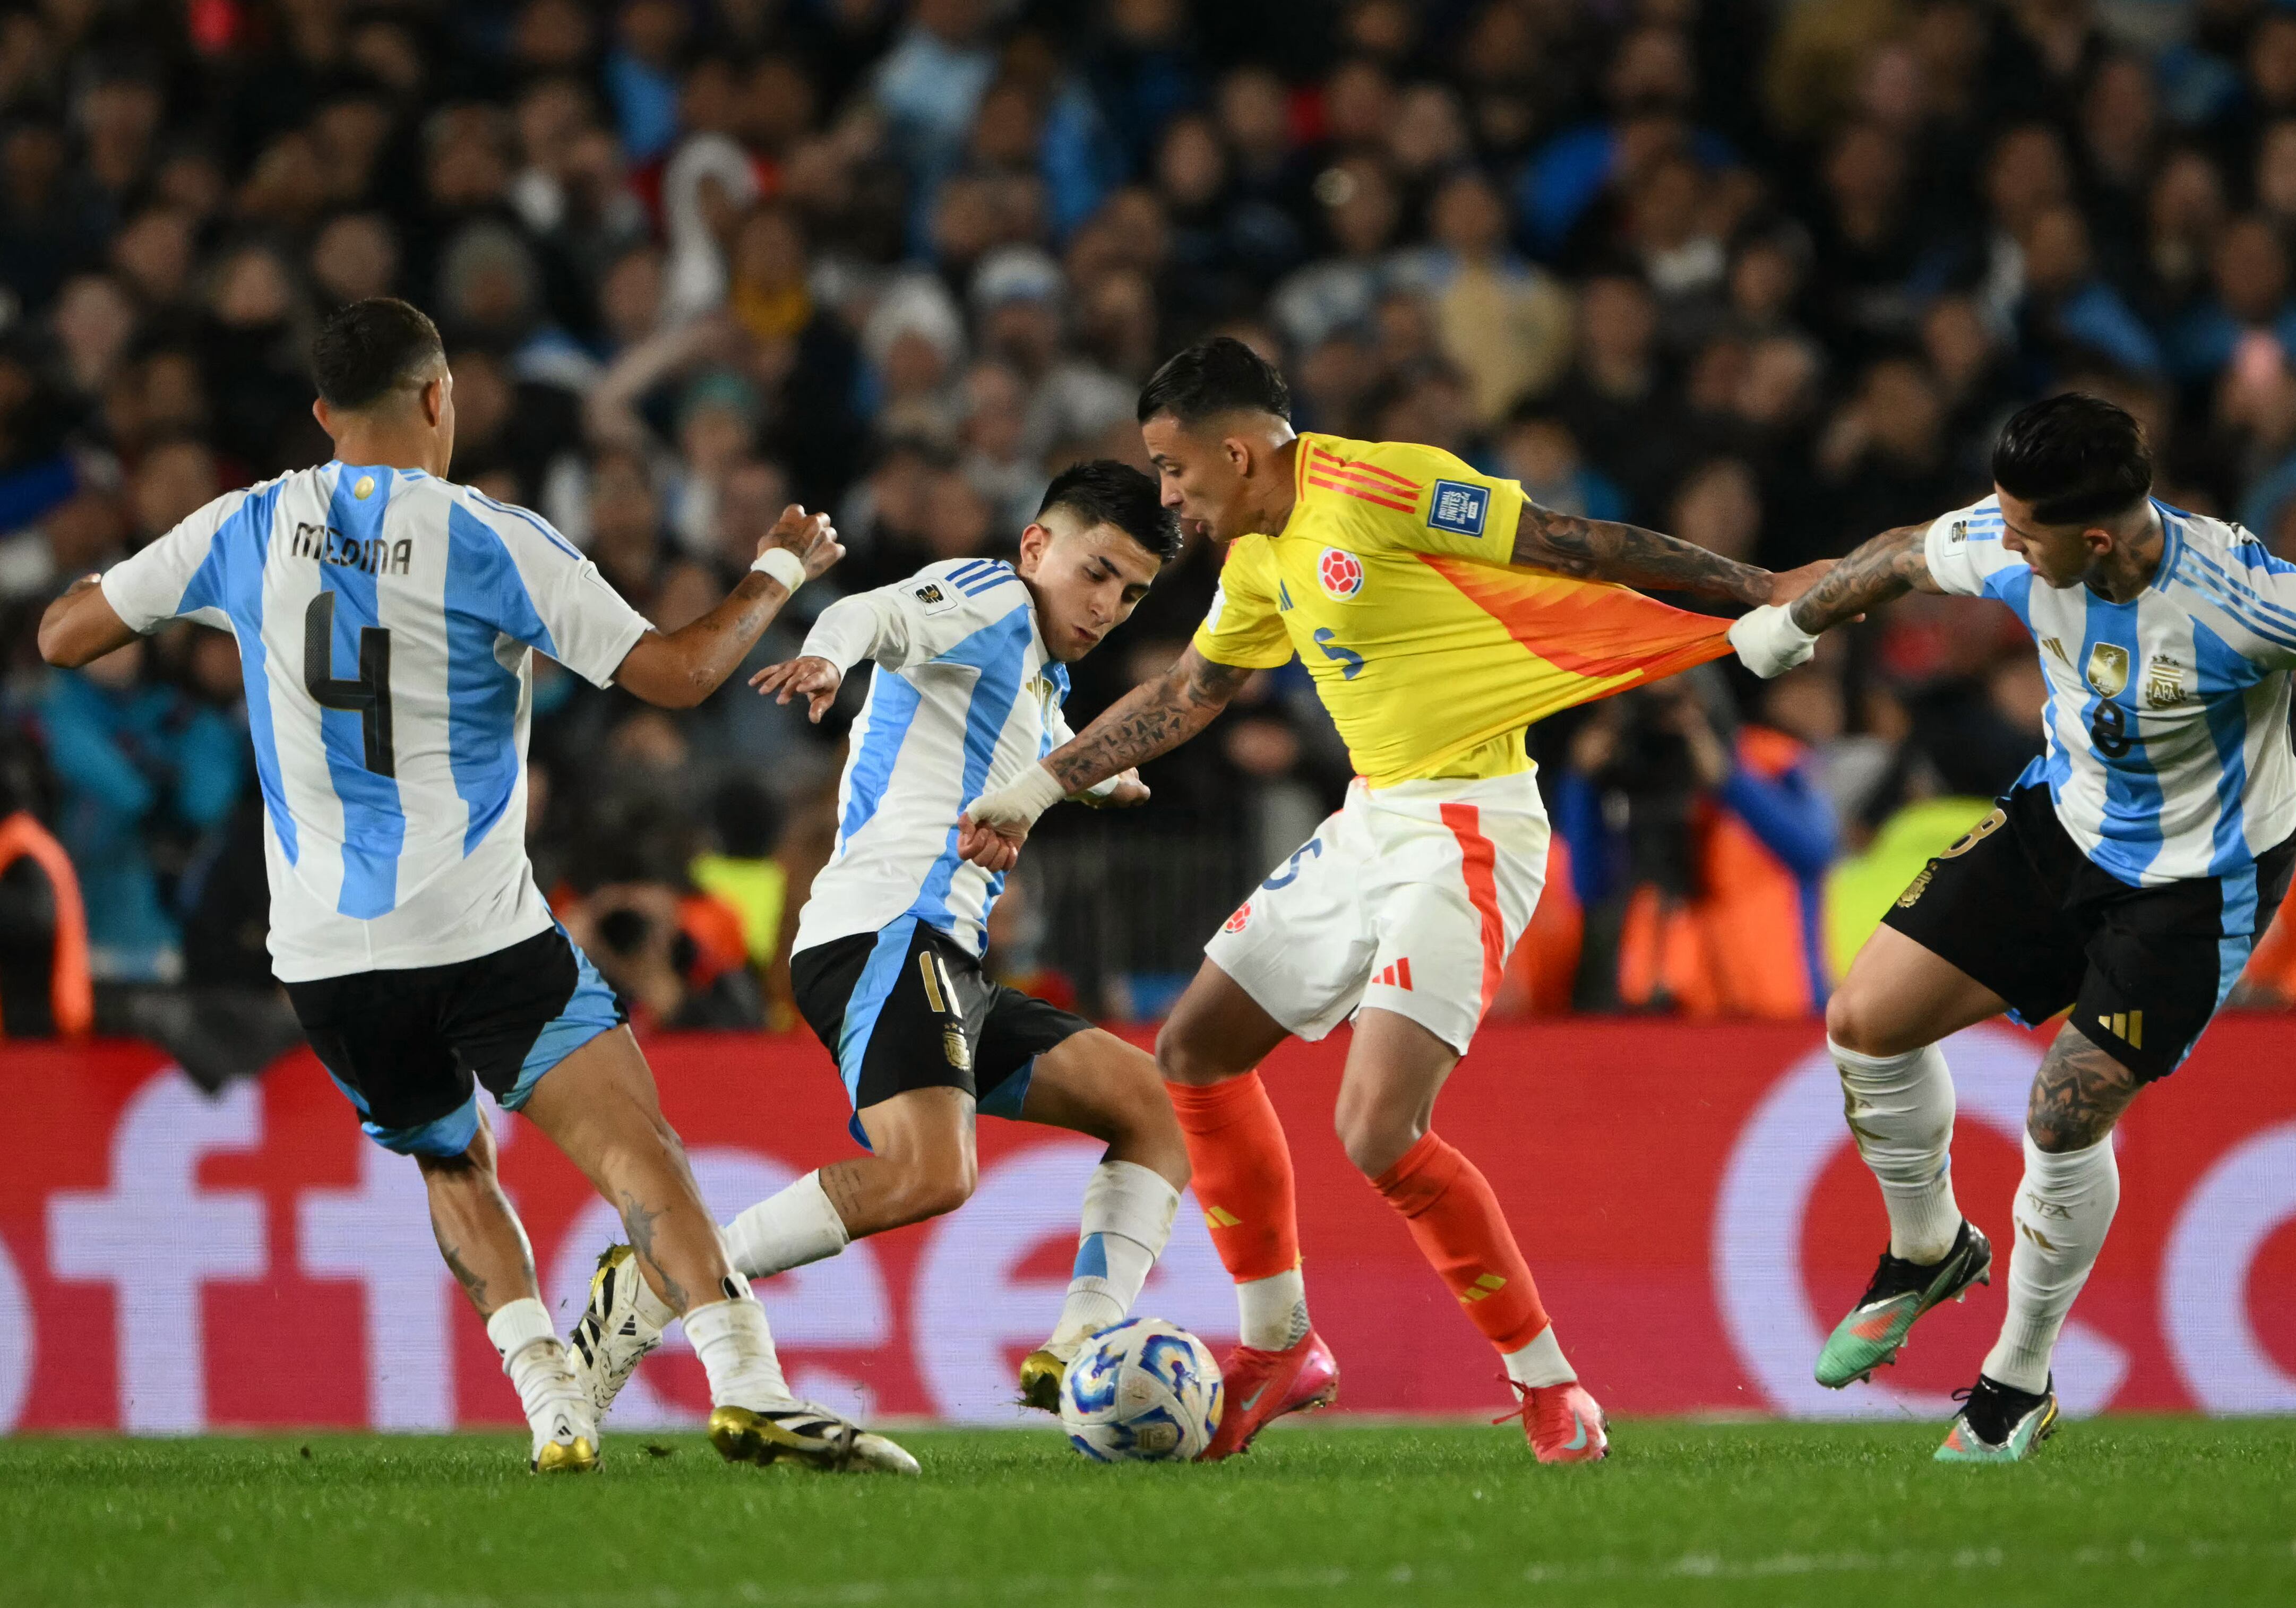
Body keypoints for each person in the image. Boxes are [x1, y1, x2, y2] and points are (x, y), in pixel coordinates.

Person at [33, 298, 914, 1478]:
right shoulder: (491, 539)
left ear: (322, 415)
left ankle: (551, 1402)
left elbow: (63, 639)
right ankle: (747, 1383)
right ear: (440, 399)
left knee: (454, 1162)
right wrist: (776, 569)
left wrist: (113, 582)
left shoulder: (245, 526)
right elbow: (679, 672)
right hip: (479, 933)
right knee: (635, 1150)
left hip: (327, 964)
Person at [1725, 392, 2296, 1463]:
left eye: (2024, 528)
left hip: (2203, 879)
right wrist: (1792, 626)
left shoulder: (2245, 598)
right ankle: (1928, 1251)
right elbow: (1898, 556)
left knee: (2063, 1110)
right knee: (1865, 1020)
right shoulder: (2022, 536)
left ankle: (2016, 1381)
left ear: (2096, 538)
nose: (2001, 535)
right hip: (2065, 823)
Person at [958, 339, 1819, 1464]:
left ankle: (1549, 1385)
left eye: (1171, 469)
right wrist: (1034, 789)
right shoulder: (1262, 554)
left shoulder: (1380, 486)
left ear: (1231, 449)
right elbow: (1187, 694)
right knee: (1196, 1048)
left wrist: (1762, 591)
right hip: (1372, 822)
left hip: (1468, 827)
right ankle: (1279, 1347)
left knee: (1377, 1130)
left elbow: (1571, 542)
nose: (1167, 496)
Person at [565, 461, 1196, 1418]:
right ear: (1037, 548)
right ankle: (663, 1281)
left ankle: (1076, 1347)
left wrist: (1105, 782)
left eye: (1133, 591)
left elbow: (1034, 751)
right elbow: (874, 613)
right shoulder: (990, 598)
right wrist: (827, 656)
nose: (1108, 605)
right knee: (930, 1172)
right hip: (887, 932)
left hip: (945, 955)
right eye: (1097, 573)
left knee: (1151, 1108)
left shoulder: (1036, 673)